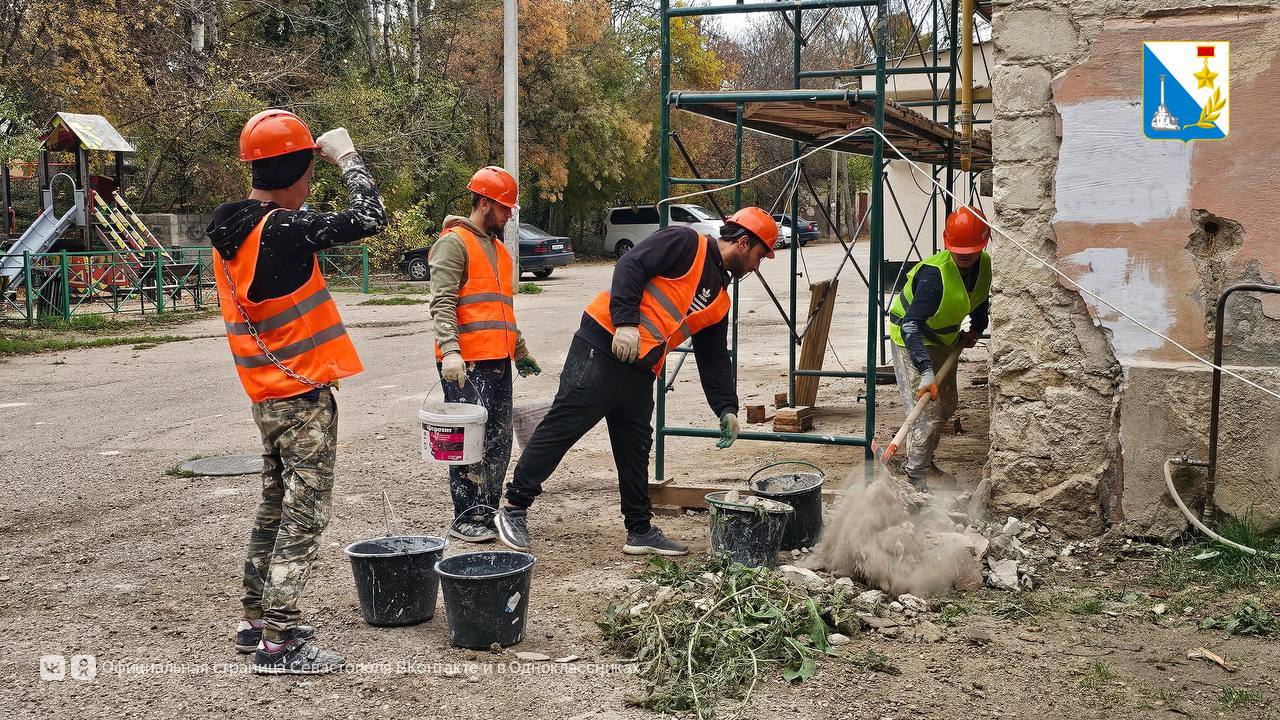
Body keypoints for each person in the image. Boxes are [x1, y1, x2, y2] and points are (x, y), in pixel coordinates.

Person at [207, 109, 386, 674]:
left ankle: (255, 618)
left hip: (266, 394)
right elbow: (370, 217)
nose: (312, 180)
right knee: (304, 514)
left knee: (274, 505)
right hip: (301, 397)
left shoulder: (236, 230)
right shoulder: (281, 230)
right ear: (297, 168)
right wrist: (348, 156)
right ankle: (279, 641)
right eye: (309, 167)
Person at [491, 207, 778, 555]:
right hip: (604, 341)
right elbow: (631, 265)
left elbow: (713, 356)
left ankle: (639, 530)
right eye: (760, 256)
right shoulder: (687, 242)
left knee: (635, 447)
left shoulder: (720, 300)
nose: (757, 267)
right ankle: (513, 509)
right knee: (563, 426)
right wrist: (625, 322)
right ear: (744, 242)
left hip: (641, 368)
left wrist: (726, 407)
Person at [428, 166, 541, 542]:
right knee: (468, 441)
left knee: (497, 440)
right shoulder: (454, 242)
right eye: (504, 207)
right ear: (484, 202)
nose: (509, 215)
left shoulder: (498, 250)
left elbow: (502, 309)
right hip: (467, 362)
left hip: (497, 360)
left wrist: (520, 349)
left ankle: (488, 511)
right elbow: (442, 302)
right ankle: (465, 517)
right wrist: (450, 352)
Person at [886, 205, 991, 492]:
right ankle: (914, 479)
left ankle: (924, 462)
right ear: (947, 242)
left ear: (984, 243)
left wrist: (976, 329)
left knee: (947, 406)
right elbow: (910, 326)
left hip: (945, 340)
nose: (965, 255)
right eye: (959, 250)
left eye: (971, 250)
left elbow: (980, 301)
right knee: (927, 414)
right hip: (910, 340)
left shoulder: (986, 267)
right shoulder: (935, 274)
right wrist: (925, 372)